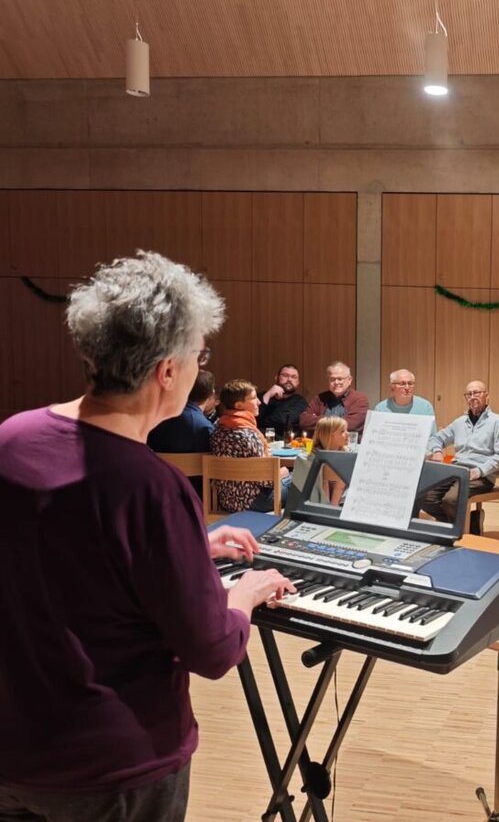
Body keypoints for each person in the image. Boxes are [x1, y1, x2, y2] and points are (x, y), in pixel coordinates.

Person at [0, 251, 294, 821]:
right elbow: (211, 651)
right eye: (197, 354)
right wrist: (245, 594)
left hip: (13, 753)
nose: (197, 367)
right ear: (166, 371)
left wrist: (191, 548)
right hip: (113, 771)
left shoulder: (12, 438)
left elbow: (65, 546)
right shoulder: (151, 487)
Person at [422, 381, 499, 535]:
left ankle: (456, 533)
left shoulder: (497, 422)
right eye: (469, 394)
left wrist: (479, 471)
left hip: (481, 476)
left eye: (477, 393)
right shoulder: (459, 422)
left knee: (451, 500)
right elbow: (436, 438)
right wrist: (437, 451)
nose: (473, 397)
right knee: (425, 496)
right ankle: (465, 525)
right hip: (457, 470)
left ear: (487, 395)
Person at [210, 379, 292, 513]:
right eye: (254, 398)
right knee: (302, 478)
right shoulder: (249, 435)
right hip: (254, 502)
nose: (259, 402)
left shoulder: (217, 429)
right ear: (239, 405)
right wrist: (283, 472)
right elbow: (267, 481)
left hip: (226, 501)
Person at [299, 361, 369, 434]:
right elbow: (304, 421)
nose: (336, 382)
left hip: (347, 444)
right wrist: (339, 421)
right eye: (332, 379)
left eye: (340, 379)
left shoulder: (360, 399)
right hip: (320, 444)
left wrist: (319, 419)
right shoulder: (320, 398)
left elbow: (351, 425)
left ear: (349, 380)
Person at [373, 368, 437, 434]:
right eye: (402, 384)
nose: (407, 387)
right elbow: (374, 434)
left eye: (410, 383)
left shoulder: (425, 407)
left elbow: (432, 437)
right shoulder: (381, 409)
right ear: (392, 386)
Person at [257, 363, 309, 439]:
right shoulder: (261, 396)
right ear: (276, 378)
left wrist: (262, 426)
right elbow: (252, 420)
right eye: (285, 375)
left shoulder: (300, 402)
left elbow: (282, 421)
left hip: (285, 446)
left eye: (294, 377)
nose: (289, 379)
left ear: (298, 383)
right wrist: (267, 395)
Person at [312, 416, 349, 505]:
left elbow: (339, 489)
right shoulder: (314, 456)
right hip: (318, 497)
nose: (348, 433)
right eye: (342, 431)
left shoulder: (345, 453)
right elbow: (321, 486)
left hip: (339, 496)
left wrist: (331, 508)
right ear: (330, 436)